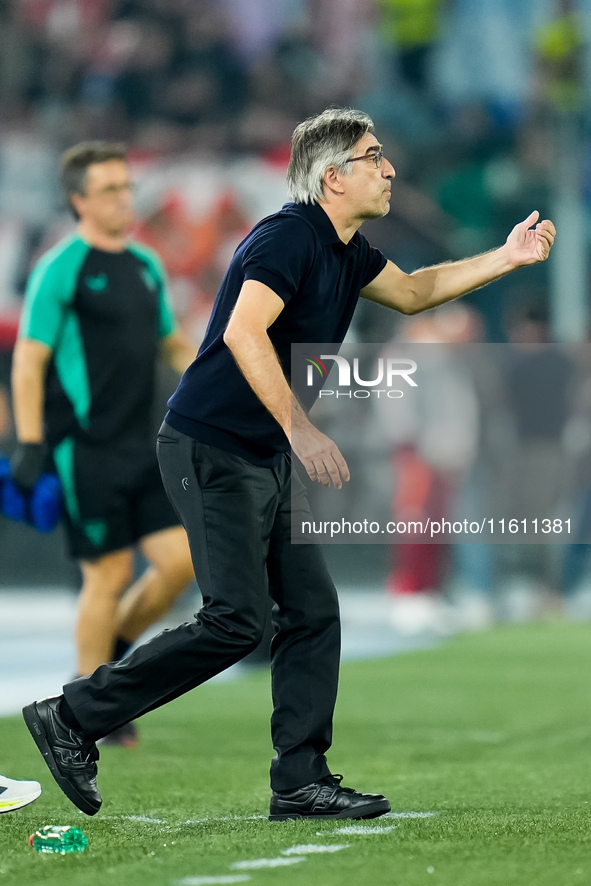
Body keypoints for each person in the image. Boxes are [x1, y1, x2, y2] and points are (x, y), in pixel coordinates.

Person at [22, 109, 555, 820]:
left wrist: (506, 256)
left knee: (310, 612)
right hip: (212, 444)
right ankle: (73, 715)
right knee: (236, 622)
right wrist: (301, 429)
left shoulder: (346, 248)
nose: (388, 168)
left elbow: (416, 292)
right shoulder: (288, 234)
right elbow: (245, 332)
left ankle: (299, 780)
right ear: (332, 178)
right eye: (372, 157)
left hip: (259, 450)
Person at [11, 143, 196, 747]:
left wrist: (217, 382)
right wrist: (30, 441)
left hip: (145, 445)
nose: (124, 198)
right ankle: (89, 711)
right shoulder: (61, 267)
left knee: (179, 566)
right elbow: (30, 360)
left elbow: (172, 344)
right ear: (78, 200)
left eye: (126, 187)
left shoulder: (145, 263)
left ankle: (105, 661)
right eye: (110, 189)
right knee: (108, 571)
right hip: (82, 448)